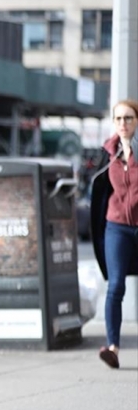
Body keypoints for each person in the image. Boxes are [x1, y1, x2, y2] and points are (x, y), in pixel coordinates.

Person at [90, 99, 138, 369]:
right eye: (119, 118)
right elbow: (95, 184)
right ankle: (113, 348)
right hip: (116, 226)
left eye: (129, 118)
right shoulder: (108, 153)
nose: (123, 123)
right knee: (116, 285)